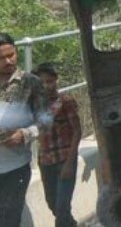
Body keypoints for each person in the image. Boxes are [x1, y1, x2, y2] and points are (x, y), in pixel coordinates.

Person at [0, 33, 51, 225]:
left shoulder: (31, 83)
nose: (8, 61)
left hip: (15, 166)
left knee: (8, 219)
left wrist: (24, 134)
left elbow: (45, 121)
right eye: (1, 58)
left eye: (11, 55)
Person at [34, 63, 81, 227]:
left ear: (56, 81)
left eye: (50, 81)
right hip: (46, 161)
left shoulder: (65, 101)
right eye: (42, 83)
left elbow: (77, 131)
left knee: (62, 210)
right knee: (53, 204)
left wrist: (69, 163)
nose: (47, 86)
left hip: (64, 159)